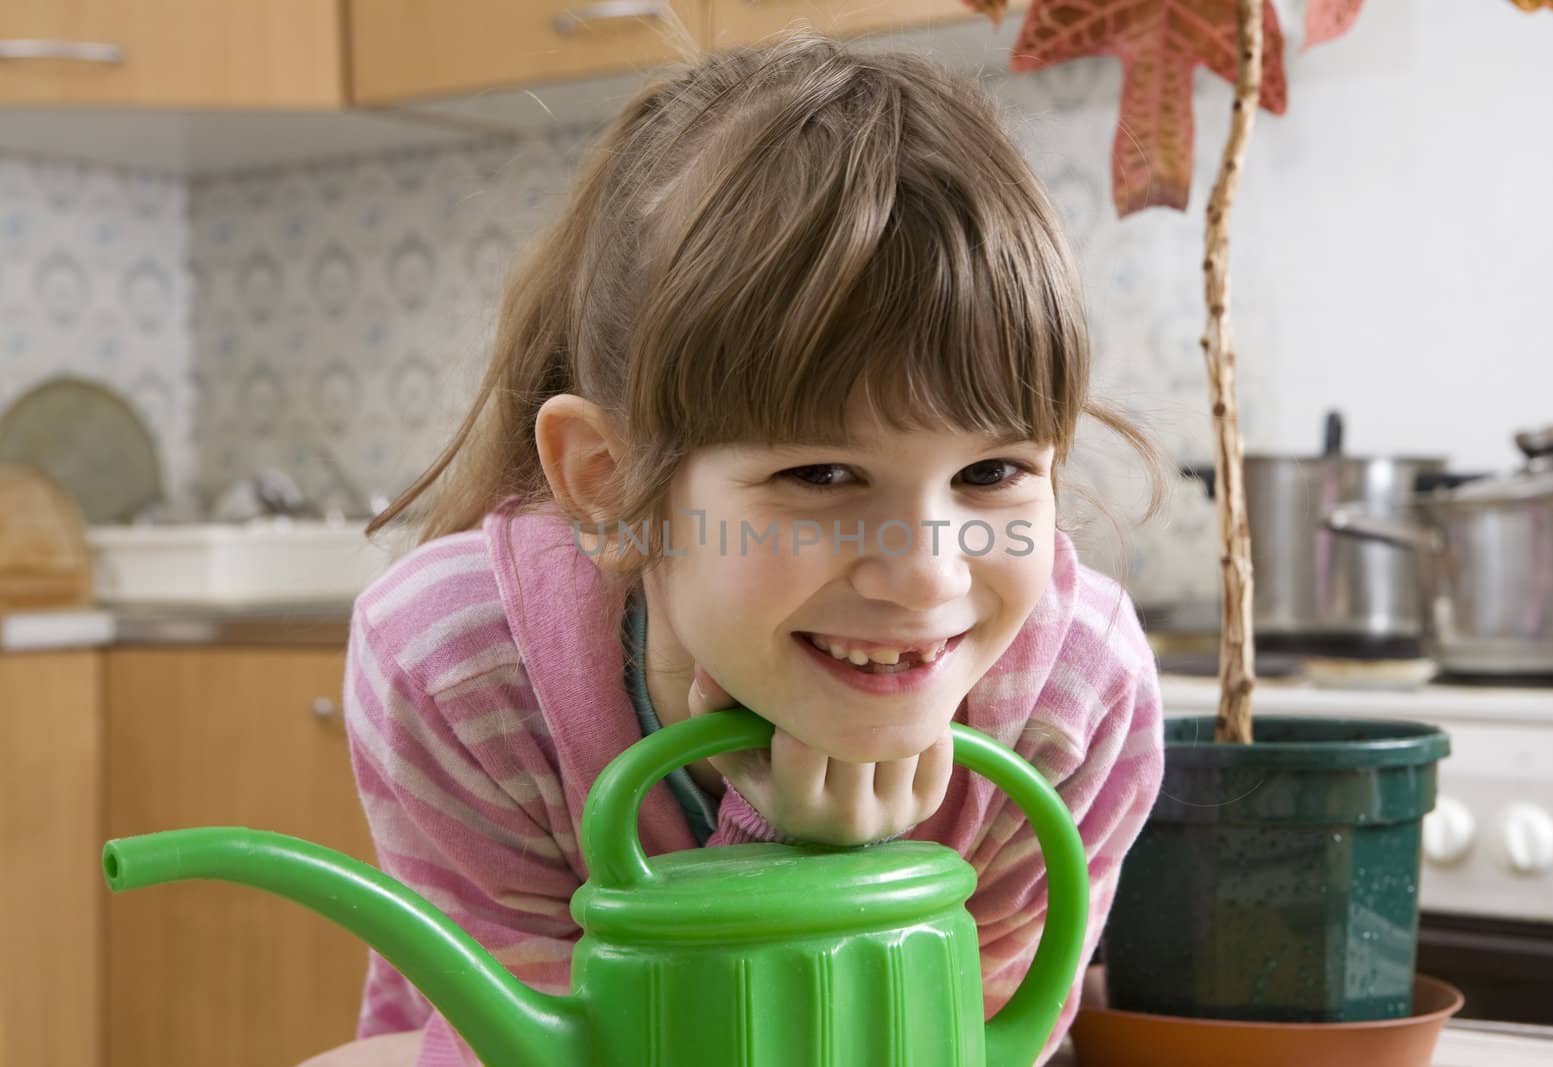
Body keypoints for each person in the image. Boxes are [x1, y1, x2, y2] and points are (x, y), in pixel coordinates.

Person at [302, 28, 1167, 1067]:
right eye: (823, 476)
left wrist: (846, 861)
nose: (927, 573)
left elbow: (954, 1045)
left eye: (992, 472)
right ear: (607, 481)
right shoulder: (459, 668)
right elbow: (568, 1048)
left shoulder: (1073, 704)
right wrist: (779, 853)